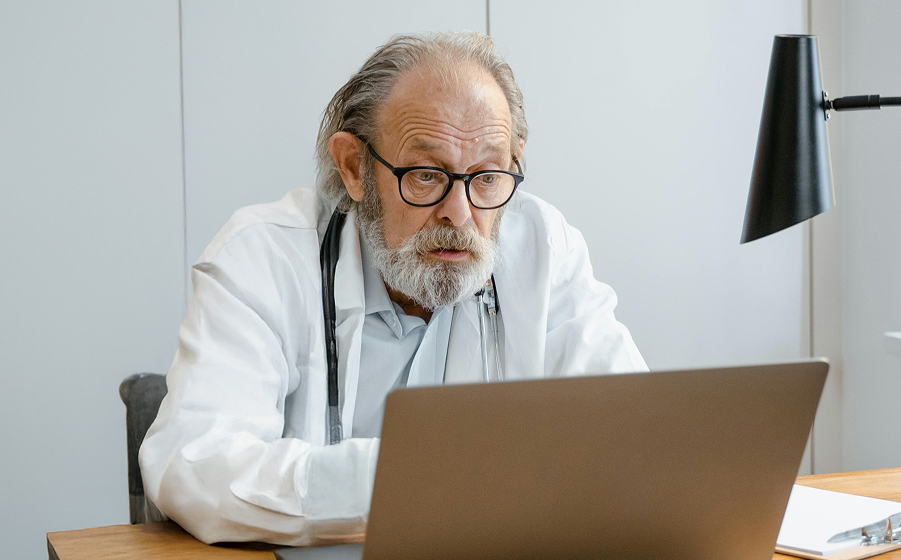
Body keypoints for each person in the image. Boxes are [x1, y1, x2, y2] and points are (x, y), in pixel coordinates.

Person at [139, 31, 647, 546]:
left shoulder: (544, 248)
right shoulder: (263, 257)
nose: (461, 213)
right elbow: (194, 461)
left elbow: (634, 439)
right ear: (354, 167)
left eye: (488, 175)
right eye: (427, 175)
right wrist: (426, 478)